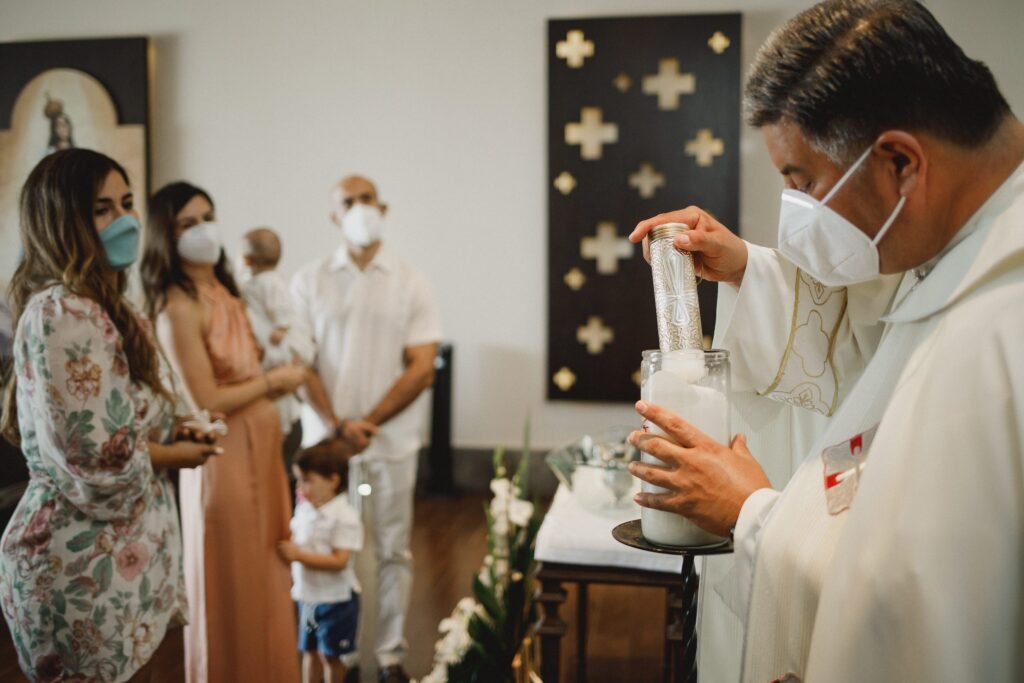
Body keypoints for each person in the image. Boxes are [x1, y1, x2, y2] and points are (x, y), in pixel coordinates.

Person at [628, 1, 1024, 680]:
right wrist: (747, 270)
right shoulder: (966, 245)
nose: (797, 210)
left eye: (802, 180)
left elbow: (923, 615)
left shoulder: (999, 330)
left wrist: (751, 515)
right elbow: (873, 336)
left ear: (900, 162)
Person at [0, 149, 219, 682]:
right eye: (102, 209)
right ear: (62, 221)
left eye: (126, 203)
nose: (125, 220)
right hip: (80, 567)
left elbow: (128, 416)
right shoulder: (63, 313)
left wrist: (176, 428)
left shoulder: (113, 306)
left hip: (125, 560)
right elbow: (99, 466)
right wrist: (175, 454)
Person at [141, 182, 306, 683]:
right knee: (232, 578)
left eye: (208, 217)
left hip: (263, 448)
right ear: (168, 235)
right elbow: (206, 399)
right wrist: (274, 382)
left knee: (268, 567)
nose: (204, 230)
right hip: (222, 454)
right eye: (188, 223)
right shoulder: (177, 305)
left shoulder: (227, 291)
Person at [292, 174, 442, 683]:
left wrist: (368, 423)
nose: (359, 208)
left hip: (391, 440)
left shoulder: (410, 280)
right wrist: (337, 426)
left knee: (393, 547)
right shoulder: (309, 280)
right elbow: (299, 362)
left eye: (367, 199)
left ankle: (391, 654)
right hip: (324, 448)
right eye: (348, 202)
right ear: (334, 216)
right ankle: (341, 652)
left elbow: (422, 365)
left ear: (384, 208)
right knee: (327, 546)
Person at [279, 438, 364, 683]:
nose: (300, 487)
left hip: (335, 600)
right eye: (298, 480)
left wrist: (299, 556)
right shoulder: (304, 509)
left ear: (333, 481)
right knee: (309, 651)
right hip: (308, 596)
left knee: (331, 656)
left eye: (307, 480)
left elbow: (339, 561)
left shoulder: (344, 516)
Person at [239, 227, 316, 470]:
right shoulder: (252, 283)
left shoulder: (269, 282)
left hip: (275, 359)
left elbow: (281, 308)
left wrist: (281, 328)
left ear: (246, 259)